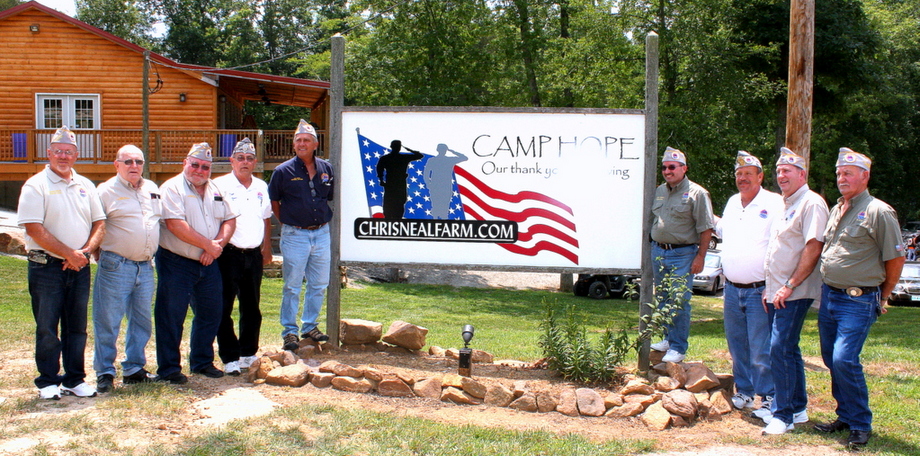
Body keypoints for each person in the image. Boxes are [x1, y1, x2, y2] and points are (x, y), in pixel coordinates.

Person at [814, 148, 905, 449]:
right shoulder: (837, 208)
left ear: (865, 176)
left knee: (844, 358)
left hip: (858, 299)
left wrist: (884, 295)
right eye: (839, 173)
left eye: (848, 173)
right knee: (831, 358)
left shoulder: (879, 211)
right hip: (830, 297)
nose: (842, 178)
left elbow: (895, 257)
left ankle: (861, 423)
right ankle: (846, 415)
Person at [17, 125, 105, 399]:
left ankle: (74, 379)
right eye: (58, 151)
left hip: (78, 266)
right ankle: (47, 381)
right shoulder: (36, 185)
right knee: (47, 326)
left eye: (68, 152)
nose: (63, 156)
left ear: (76, 155)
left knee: (76, 326)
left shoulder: (85, 185)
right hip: (47, 267)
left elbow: (99, 222)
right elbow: (34, 228)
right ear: (49, 153)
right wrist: (70, 253)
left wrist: (86, 252)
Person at [154, 143, 238, 383]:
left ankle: (201, 362)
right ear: (185, 163)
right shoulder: (172, 188)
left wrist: (217, 246)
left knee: (211, 313)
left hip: (209, 261)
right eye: (195, 164)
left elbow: (230, 220)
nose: (200, 170)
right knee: (171, 316)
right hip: (176, 261)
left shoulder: (215, 189)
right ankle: (169, 369)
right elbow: (175, 225)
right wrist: (208, 245)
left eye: (205, 167)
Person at [761, 147, 829, 435]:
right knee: (788, 350)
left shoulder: (811, 203)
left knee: (780, 349)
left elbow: (814, 247)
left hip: (795, 291)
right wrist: (770, 289)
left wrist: (789, 286)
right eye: (778, 171)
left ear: (802, 174)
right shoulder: (787, 204)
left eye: (787, 170)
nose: (781, 175)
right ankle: (798, 408)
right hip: (777, 291)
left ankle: (783, 414)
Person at [716, 151, 783, 411]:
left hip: (759, 291)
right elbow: (721, 231)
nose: (743, 178)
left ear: (760, 176)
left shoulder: (774, 203)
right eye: (739, 174)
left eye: (748, 174)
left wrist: (772, 285)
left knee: (760, 350)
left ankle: (768, 396)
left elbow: (778, 246)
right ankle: (744, 391)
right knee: (737, 346)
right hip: (732, 289)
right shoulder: (733, 202)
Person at [92, 145, 161, 393]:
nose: (134, 166)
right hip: (116, 264)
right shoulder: (105, 191)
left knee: (142, 320)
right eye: (128, 161)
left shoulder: (152, 188)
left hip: (145, 266)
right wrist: (97, 252)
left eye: (138, 161)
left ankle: (134, 368)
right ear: (117, 164)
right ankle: (105, 372)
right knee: (108, 320)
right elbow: (96, 224)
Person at [268, 119, 334, 350]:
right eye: (298, 140)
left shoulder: (326, 168)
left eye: (307, 140)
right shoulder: (282, 171)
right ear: (294, 145)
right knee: (292, 285)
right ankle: (289, 332)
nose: (302, 143)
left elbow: (328, 196)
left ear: (315, 143)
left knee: (319, 283)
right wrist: (286, 220)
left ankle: (310, 326)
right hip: (295, 234)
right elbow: (274, 200)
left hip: (322, 233)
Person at [648, 146, 715, 363]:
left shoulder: (697, 193)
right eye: (665, 167)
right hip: (659, 251)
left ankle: (678, 347)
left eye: (672, 167)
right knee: (663, 297)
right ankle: (668, 338)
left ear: (684, 169)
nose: (668, 171)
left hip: (683, 254)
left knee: (679, 300)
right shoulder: (659, 191)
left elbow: (706, 228)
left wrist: (701, 257)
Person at [214, 138, 273, 375]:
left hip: (254, 254)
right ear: (232, 161)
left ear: (255, 162)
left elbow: (266, 217)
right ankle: (229, 356)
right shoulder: (219, 185)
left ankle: (248, 353)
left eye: (249, 158)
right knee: (223, 306)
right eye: (240, 158)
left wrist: (266, 246)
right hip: (228, 255)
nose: (245, 162)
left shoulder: (261, 186)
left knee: (251, 306)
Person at [376, 140, 423, 219]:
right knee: (392, 202)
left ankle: (395, 219)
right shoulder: (402, 157)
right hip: (395, 183)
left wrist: (381, 180)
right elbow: (419, 155)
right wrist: (409, 149)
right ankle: (392, 219)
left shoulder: (387, 158)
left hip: (395, 183)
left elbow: (379, 169)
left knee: (397, 202)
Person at [423, 143, 467, 220]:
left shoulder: (448, 160)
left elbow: (465, 158)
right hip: (436, 186)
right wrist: (428, 183)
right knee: (436, 205)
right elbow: (426, 173)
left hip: (444, 186)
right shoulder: (434, 160)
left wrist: (451, 150)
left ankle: (443, 220)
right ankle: (436, 220)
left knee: (444, 206)